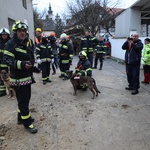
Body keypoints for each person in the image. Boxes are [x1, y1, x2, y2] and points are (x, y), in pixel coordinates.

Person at [3, 20, 37, 133]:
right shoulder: (11, 43)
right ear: (15, 32)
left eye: (24, 31)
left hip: (26, 78)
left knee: (24, 100)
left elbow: (27, 59)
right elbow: (7, 60)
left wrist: (33, 68)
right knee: (23, 101)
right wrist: (22, 65)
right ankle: (27, 123)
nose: (22, 33)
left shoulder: (23, 43)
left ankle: (21, 118)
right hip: (18, 79)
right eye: (19, 31)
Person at [0, 27, 11, 97]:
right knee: (1, 77)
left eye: (5, 34)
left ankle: (12, 91)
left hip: (9, 63)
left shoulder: (10, 42)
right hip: (1, 63)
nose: (4, 36)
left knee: (10, 77)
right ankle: (2, 91)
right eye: (2, 34)